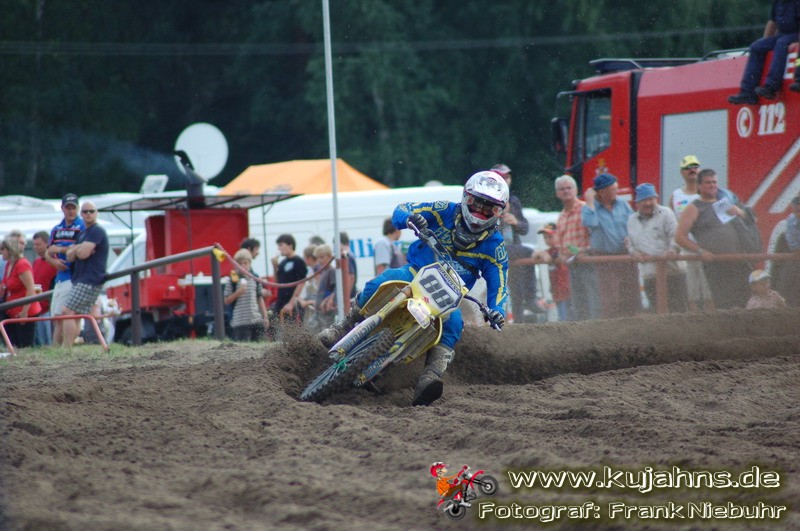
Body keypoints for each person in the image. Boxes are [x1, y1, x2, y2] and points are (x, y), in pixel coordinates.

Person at [318, 171, 509, 406]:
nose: (480, 211)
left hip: (449, 296)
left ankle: (431, 376)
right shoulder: (444, 210)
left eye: (489, 208)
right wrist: (410, 218)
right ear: (466, 197)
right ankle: (343, 326)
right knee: (384, 280)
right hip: (416, 273)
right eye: (477, 203)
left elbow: (499, 281)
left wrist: (497, 310)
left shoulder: (496, 246)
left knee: (454, 323)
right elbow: (403, 209)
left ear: (499, 211)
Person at [675, 169, 752, 309]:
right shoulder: (694, 207)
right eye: (708, 182)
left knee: (746, 302)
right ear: (699, 186)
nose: (712, 185)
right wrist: (700, 251)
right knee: (724, 305)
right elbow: (679, 237)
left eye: (714, 182)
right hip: (716, 264)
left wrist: (739, 212)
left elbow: (752, 220)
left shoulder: (723, 203)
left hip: (738, 260)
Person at [582, 173, 640, 318]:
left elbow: (634, 223)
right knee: (610, 296)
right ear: (602, 192)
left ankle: (632, 322)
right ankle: (612, 325)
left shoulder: (622, 204)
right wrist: (590, 202)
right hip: (604, 258)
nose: (617, 192)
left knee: (631, 293)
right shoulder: (589, 208)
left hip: (625, 254)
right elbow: (591, 223)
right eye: (613, 189)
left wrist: (630, 236)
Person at [627, 183, 688, 313]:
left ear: (656, 199)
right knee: (655, 312)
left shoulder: (666, 213)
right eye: (644, 200)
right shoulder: (631, 220)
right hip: (650, 274)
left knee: (679, 311)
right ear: (637, 203)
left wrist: (672, 250)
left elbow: (675, 236)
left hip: (673, 272)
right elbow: (630, 244)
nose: (648, 203)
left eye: (651, 199)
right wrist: (634, 252)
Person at [728, 0, 800, 104]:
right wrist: (765, 43)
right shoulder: (778, 2)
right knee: (756, 47)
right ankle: (748, 92)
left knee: (781, 44)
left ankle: (771, 87)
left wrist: (798, 42)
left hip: (795, 34)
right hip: (782, 36)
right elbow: (772, 23)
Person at [491, 163, 537, 322]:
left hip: (513, 250)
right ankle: (531, 299)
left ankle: (520, 322)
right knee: (529, 253)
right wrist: (499, 219)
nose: (506, 179)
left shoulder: (514, 201)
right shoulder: (487, 200)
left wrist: (515, 222)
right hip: (494, 249)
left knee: (517, 291)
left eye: (507, 176)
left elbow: (525, 228)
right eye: (502, 177)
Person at [668, 156, 715, 311]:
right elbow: (673, 224)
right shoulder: (675, 196)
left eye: (695, 166)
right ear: (682, 172)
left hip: (706, 247)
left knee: (709, 292)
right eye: (688, 167)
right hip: (685, 250)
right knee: (690, 293)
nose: (692, 170)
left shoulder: (709, 193)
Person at [61, 201, 109, 349]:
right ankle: (69, 347)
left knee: (67, 311)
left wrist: (76, 249)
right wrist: (79, 248)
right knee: (74, 314)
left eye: (91, 211)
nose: (88, 214)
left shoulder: (96, 231)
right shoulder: (83, 234)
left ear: (96, 213)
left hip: (90, 280)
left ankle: (66, 347)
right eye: (85, 211)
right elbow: (69, 256)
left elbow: (82, 254)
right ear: (81, 214)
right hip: (81, 279)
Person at [553, 175, 601, 321]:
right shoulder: (561, 216)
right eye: (562, 189)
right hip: (572, 265)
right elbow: (559, 243)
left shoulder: (585, 209)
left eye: (569, 188)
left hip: (589, 262)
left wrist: (584, 251)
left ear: (576, 190)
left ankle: (598, 330)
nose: (566, 191)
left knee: (594, 301)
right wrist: (561, 254)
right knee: (579, 304)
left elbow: (596, 235)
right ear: (557, 194)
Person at [46, 193, 85, 346]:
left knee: (68, 314)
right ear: (62, 208)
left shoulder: (82, 226)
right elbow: (48, 252)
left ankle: (66, 346)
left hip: (74, 275)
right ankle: (56, 348)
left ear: (78, 208)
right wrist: (53, 261)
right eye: (68, 208)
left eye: (73, 208)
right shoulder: (56, 229)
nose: (71, 211)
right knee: (57, 317)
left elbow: (81, 249)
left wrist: (60, 249)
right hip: (60, 276)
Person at [0, 237, 42, 348]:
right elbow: (5, 286)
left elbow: (30, 289)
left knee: (25, 345)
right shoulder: (9, 264)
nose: (1, 252)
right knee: (13, 344)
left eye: (2, 249)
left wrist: (25, 311)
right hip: (12, 311)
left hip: (25, 311)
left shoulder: (22, 264)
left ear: (10, 249)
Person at [266, 234, 308, 338]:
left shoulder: (298, 261)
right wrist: (275, 266)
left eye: (281, 245)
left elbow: (302, 282)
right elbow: (277, 282)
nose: (279, 248)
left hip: (292, 301)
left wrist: (291, 302)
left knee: (292, 329)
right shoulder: (283, 263)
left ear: (290, 245)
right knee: (273, 323)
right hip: (281, 300)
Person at [224, 249, 268, 341]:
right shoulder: (231, 280)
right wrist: (238, 292)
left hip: (256, 319)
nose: (243, 266)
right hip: (240, 322)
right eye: (240, 263)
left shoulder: (255, 278)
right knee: (244, 347)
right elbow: (226, 301)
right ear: (236, 265)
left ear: (250, 263)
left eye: (245, 263)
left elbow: (259, 298)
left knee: (260, 345)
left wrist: (265, 317)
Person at [532, 223, 570, 321]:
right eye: (545, 237)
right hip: (556, 289)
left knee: (567, 316)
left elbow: (549, 258)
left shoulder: (563, 248)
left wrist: (543, 254)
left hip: (566, 288)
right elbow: (535, 256)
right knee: (561, 315)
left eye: (550, 237)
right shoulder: (550, 250)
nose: (547, 240)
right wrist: (541, 253)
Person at [31, 231, 58, 346]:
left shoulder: (55, 262)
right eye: (34, 244)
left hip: (49, 307)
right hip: (38, 308)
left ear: (47, 244)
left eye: (38, 244)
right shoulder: (36, 262)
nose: (35, 247)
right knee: (41, 342)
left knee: (51, 339)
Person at [774, 194, 800, 306]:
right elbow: (793, 243)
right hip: (795, 256)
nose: (798, 208)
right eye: (796, 205)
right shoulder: (791, 219)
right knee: (786, 280)